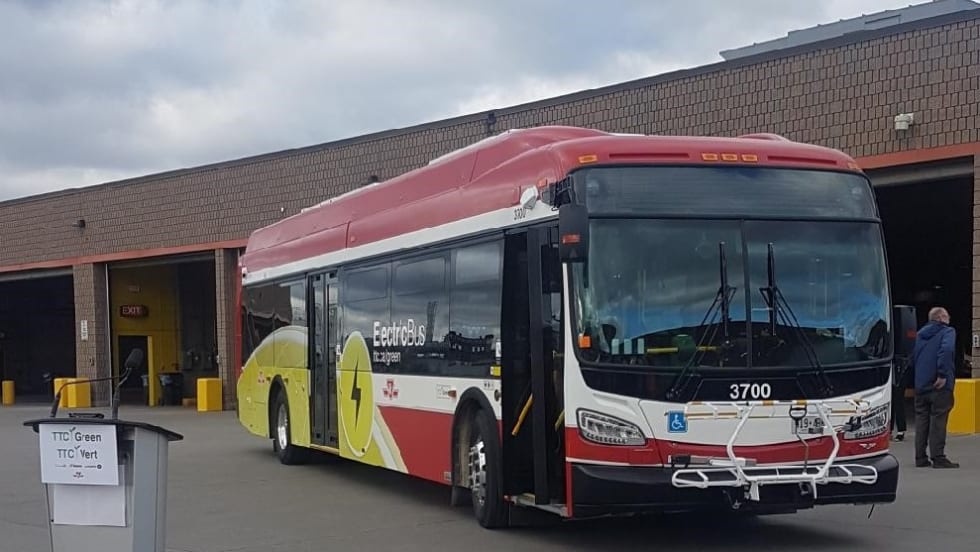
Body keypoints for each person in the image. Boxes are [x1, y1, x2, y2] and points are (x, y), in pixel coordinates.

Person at [911, 307, 959, 468]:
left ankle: (920, 457)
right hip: (939, 385)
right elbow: (946, 350)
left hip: (921, 384)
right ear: (940, 318)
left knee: (921, 419)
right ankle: (938, 457)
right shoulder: (947, 332)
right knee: (938, 419)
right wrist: (942, 374)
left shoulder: (920, 335)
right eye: (947, 315)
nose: (949, 318)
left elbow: (913, 357)